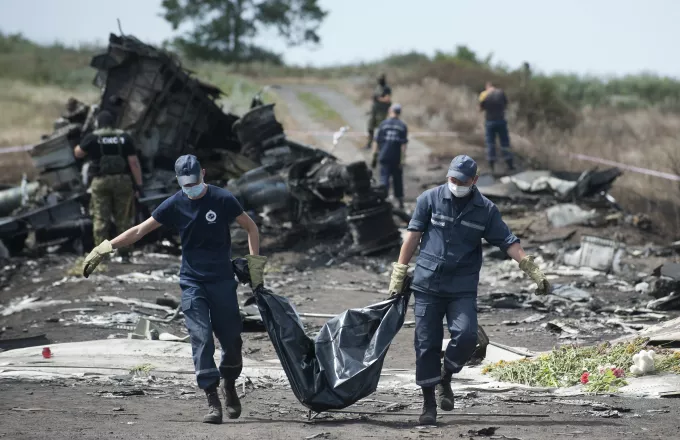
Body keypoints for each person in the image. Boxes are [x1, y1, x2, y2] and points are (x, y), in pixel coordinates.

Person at [81, 154, 266, 424]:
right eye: (185, 184)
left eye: (195, 182)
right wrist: (105, 247)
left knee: (232, 341)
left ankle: (228, 383)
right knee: (201, 338)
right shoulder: (175, 204)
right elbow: (139, 231)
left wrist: (255, 266)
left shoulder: (223, 199)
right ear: (179, 181)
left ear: (203, 174)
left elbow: (250, 227)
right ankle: (212, 398)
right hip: (192, 283)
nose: (190, 188)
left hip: (223, 281)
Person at [387, 155, 550, 425]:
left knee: (465, 336)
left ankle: (446, 377)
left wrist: (532, 269)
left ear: (474, 181)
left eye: (462, 181)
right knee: (425, 343)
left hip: (461, 286)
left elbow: (507, 241)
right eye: (452, 179)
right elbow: (413, 235)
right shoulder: (429, 199)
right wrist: (399, 272)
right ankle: (428, 404)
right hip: (427, 284)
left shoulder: (485, 210)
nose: (456, 184)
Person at [74, 110, 143, 260]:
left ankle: (102, 256)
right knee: (123, 219)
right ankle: (125, 255)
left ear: (98, 123)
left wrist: (80, 141)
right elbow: (133, 163)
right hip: (123, 182)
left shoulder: (93, 137)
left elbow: (78, 153)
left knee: (100, 218)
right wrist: (138, 185)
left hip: (101, 182)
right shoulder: (124, 137)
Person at [371, 103, 408, 209]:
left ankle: (383, 201)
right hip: (395, 158)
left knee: (384, 179)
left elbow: (376, 141)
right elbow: (403, 145)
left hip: (384, 156)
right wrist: (402, 159)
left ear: (390, 111)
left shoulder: (383, 124)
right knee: (397, 180)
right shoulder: (402, 126)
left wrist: (374, 156)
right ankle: (400, 202)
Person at [479, 82, 514, 172]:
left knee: (490, 143)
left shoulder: (485, 95)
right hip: (501, 120)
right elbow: (506, 104)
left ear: (487, 87)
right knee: (505, 142)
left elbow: (481, 108)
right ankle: (509, 164)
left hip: (490, 121)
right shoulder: (501, 93)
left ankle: (491, 166)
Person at [365, 73, 392, 149]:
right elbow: (374, 98)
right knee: (370, 126)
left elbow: (387, 99)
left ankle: (381, 145)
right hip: (375, 110)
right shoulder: (378, 87)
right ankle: (369, 143)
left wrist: (378, 98)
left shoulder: (386, 88)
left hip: (382, 111)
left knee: (381, 127)